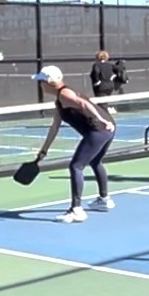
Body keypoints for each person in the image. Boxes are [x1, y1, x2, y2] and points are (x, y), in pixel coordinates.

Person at [32, 65, 116, 223]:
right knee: (95, 161)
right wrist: (43, 151)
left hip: (99, 130)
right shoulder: (60, 100)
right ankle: (104, 199)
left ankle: (76, 210)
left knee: (76, 166)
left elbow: (84, 105)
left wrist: (102, 120)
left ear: (50, 82)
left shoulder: (65, 94)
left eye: (41, 81)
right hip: (109, 128)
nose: (40, 85)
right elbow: (55, 126)